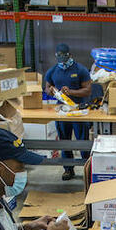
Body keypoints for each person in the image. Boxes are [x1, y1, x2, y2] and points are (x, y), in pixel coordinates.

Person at [44, 42, 93, 181]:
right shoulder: (53, 71)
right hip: (62, 111)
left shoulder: (80, 70)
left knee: (82, 142)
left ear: (70, 55)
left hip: (78, 111)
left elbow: (88, 90)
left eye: (64, 55)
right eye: (58, 56)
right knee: (64, 142)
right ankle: (68, 170)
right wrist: (51, 91)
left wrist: (71, 92)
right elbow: (47, 87)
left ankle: (87, 170)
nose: (61, 58)